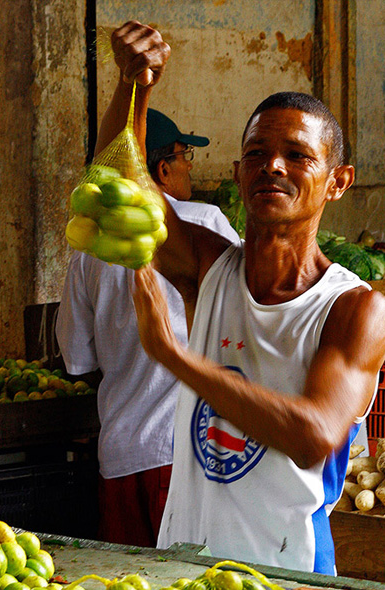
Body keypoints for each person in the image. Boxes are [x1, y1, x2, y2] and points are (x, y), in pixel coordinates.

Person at [103, 21, 385, 576]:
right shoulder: (209, 266)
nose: (273, 166)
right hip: (181, 576)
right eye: (256, 153)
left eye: (297, 155)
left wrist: (174, 356)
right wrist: (133, 86)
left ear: (339, 181)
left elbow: (312, 436)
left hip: (288, 584)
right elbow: (120, 189)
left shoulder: (354, 309)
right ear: (237, 172)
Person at [56, 108, 240, 547]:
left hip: (120, 454)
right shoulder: (206, 224)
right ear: (162, 168)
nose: (188, 170)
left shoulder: (88, 249)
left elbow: (75, 356)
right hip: (187, 451)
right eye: (184, 157)